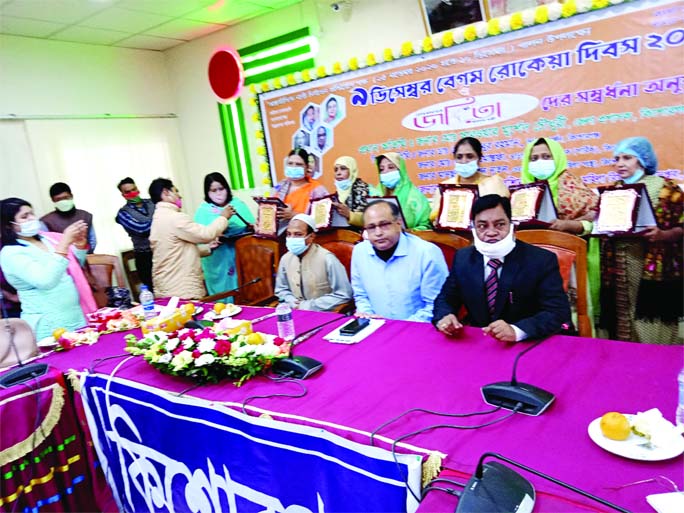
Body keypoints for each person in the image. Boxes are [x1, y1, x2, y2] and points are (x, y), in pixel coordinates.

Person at [433, 194, 571, 342]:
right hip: (481, 341)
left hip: (527, 342)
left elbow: (557, 312)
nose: (491, 232)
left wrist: (518, 331)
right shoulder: (463, 258)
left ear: (511, 225)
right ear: (473, 228)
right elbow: (446, 299)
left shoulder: (541, 260)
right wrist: (445, 316)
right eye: (482, 226)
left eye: (500, 224)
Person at [599, 137, 683, 344]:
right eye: (616, 158)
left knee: (651, 315)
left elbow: (681, 226)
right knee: (622, 315)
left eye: (627, 158)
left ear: (643, 160)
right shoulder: (613, 191)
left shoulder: (665, 188)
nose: (620, 163)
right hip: (619, 264)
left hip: (650, 265)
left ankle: (657, 357)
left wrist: (662, 235)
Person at [520, 137, 601, 333]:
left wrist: (569, 225)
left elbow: (595, 220)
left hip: (568, 261)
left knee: (571, 314)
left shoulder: (571, 184)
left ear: (557, 158)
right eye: (535, 158)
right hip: (531, 262)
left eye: (547, 157)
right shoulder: (522, 191)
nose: (540, 162)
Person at [0, 197, 97, 339]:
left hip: (75, 315)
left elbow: (72, 266)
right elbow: (46, 280)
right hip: (48, 324)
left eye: (32, 213)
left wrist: (80, 246)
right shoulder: (11, 253)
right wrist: (64, 243)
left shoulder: (47, 239)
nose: (32, 218)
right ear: (8, 225)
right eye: (24, 216)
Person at [351, 200, 448, 322]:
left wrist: (399, 328)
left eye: (384, 224)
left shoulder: (427, 253)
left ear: (399, 223)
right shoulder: (360, 252)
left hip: (418, 328)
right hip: (374, 327)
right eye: (371, 227)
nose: (378, 233)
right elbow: (361, 295)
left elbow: (436, 305)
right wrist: (368, 316)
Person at [148, 178, 234, 299]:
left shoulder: (157, 219)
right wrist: (223, 218)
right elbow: (206, 234)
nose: (180, 196)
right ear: (166, 193)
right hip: (181, 288)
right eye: (176, 191)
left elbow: (175, 252)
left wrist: (208, 248)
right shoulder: (174, 218)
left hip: (165, 286)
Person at [194, 173, 254, 302]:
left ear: (227, 188)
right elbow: (199, 237)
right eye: (213, 190)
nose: (218, 193)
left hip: (238, 254)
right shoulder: (203, 211)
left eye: (221, 189)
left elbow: (250, 225)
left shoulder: (237, 204)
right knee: (221, 300)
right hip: (217, 259)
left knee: (242, 290)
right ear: (207, 192)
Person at [275, 214, 352, 311]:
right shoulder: (286, 259)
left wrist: (308, 306)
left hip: (323, 314)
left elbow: (344, 294)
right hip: (293, 312)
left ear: (311, 237)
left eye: (298, 234)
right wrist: (291, 301)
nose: (291, 238)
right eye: (289, 234)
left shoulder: (327, 259)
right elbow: (281, 290)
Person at [429, 137, 509, 223]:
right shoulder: (444, 187)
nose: (464, 161)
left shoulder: (494, 183)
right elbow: (435, 218)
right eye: (459, 157)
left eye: (470, 156)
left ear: (479, 159)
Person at [372, 152, 431, 230]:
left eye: (391, 167)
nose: (385, 171)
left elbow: (426, 226)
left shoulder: (414, 196)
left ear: (401, 170)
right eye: (381, 169)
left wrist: (410, 232)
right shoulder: (376, 193)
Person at [115, 177, 155, 289]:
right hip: (145, 256)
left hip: (162, 250)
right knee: (154, 292)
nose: (132, 193)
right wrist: (159, 219)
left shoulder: (152, 202)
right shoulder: (123, 213)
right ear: (123, 195)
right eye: (128, 192)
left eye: (134, 189)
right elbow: (141, 229)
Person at [41, 182, 97, 253]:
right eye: (58, 199)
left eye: (65, 198)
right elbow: (46, 245)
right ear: (53, 200)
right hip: (63, 259)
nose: (63, 201)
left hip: (86, 257)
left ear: (71, 196)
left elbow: (92, 241)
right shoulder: (46, 221)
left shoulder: (85, 215)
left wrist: (82, 253)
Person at [275, 148, 329, 221]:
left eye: (298, 164)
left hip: (305, 231)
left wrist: (294, 215)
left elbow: (322, 220)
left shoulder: (317, 190)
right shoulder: (280, 186)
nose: (293, 167)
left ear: (307, 167)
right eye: (290, 163)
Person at [332, 156, 370, 228]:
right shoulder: (335, 194)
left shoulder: (362, 189)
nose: (338, 173)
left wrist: (350, 215)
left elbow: (370, 218)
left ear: (352, 171)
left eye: (343, 169)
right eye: (336, 170)